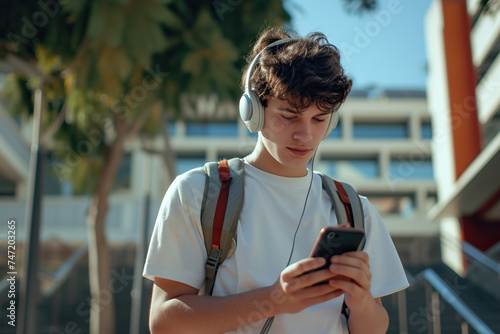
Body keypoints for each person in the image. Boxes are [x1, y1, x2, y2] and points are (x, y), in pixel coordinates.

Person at [143, 26, 409, 334]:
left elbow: (375, 326)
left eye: (320, 119)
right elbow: (164, 321)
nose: (305, 134)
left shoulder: (354, 210)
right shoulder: (198, 193)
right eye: (289, 115)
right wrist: (274, 300)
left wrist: (361, 301)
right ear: (253, 110)